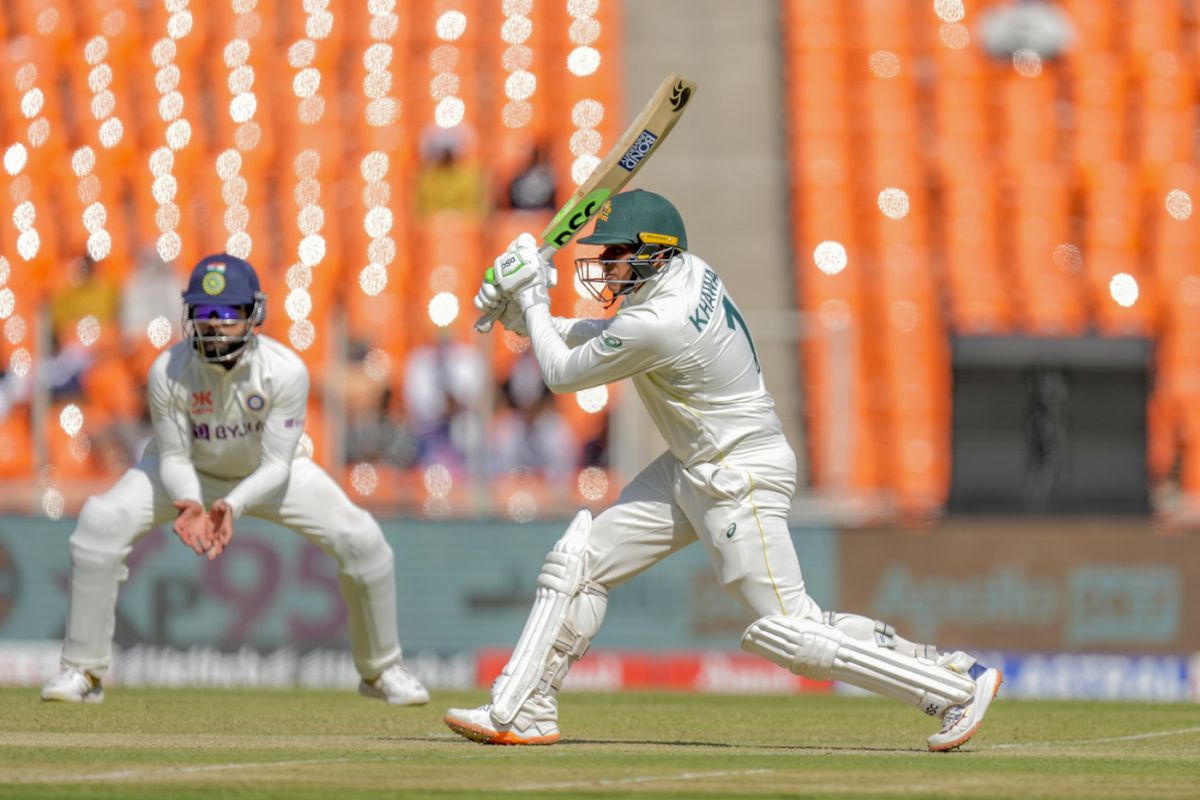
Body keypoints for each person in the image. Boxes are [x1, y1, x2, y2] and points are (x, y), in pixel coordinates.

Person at [446, 190, 1002, 751]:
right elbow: (601, 340)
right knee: (580, 562)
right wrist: (523, 312)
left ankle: (952, 688)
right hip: (697, 465)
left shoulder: (662, 319)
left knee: (792, 632)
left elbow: (565, 374)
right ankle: (524, 709)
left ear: (655, 254)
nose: (605, 266)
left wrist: (533, 299)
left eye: (614, 253)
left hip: (736, 475)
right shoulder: (688, 274)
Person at [41, 253, 429, 707]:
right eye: (203, 314)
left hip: (264, 475)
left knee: (364, 541)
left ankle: (381, 670)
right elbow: (174, 455)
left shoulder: (285, 371)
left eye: (226, 314)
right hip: (187, 471)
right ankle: (82, 670)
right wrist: (190, 500)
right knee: (100, 522)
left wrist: (232, 506)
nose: (213, 325)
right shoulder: (168, 370)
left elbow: (277, 466)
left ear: (252, 315)